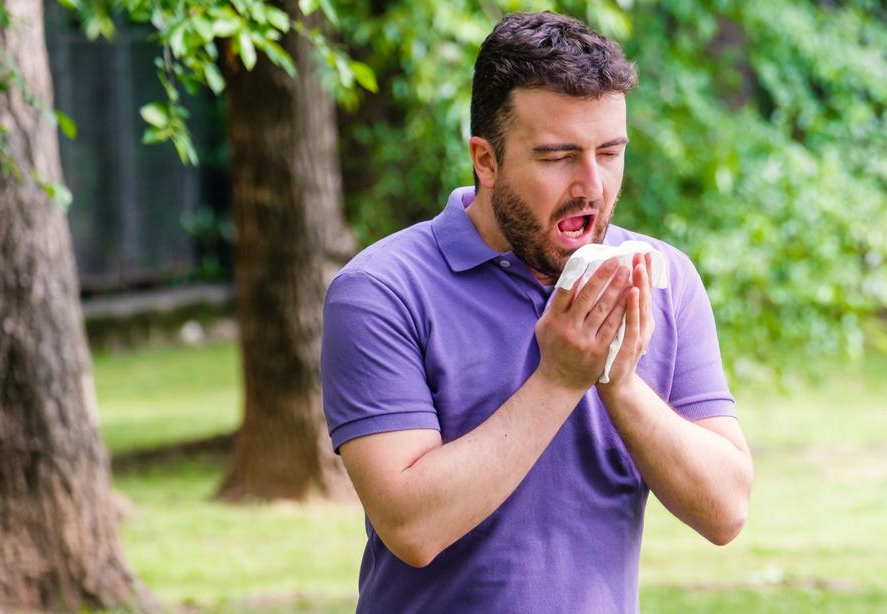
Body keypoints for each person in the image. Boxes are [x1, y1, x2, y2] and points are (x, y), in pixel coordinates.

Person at [321, 11, 753, 613]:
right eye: (558, 156)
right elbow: (411, 527)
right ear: (486, 160)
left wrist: (619, 383)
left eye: (609, 152)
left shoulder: (659, 278)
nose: (592, 186)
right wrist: (559, 379)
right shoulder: (380, 291)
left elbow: (726, 509)